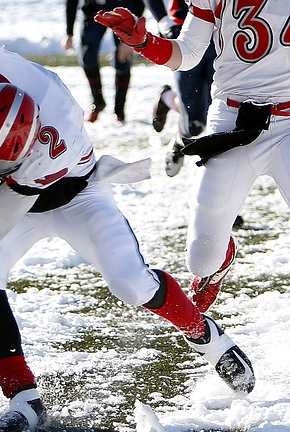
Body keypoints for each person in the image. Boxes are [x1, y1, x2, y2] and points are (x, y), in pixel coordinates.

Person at [0, 41, 256, 432]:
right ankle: (24, 397)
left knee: (130, 282)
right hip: (14, 189)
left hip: (76, 198)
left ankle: (208, 336)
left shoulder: (47, 146)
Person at [94, 3, 289, 313]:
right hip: (231, 120)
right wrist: (144, 42)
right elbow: (187, 54)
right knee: (201, 260)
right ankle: (220, 259)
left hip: (288, 122)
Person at [143, 0, 215, 177]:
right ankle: (169, 104)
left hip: (224, 33)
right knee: (195, 122)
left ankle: (170, 102)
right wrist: (164, 20)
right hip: (187, 32)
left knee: (218, 106)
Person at [61, 0, 145, 123]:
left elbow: (141, 2)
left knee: (123, 60)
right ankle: (98, 101)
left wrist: (132, 35)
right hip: (94, 11)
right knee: (87, 56)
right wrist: (69, 32)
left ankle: (119, 110)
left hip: (123, 12)